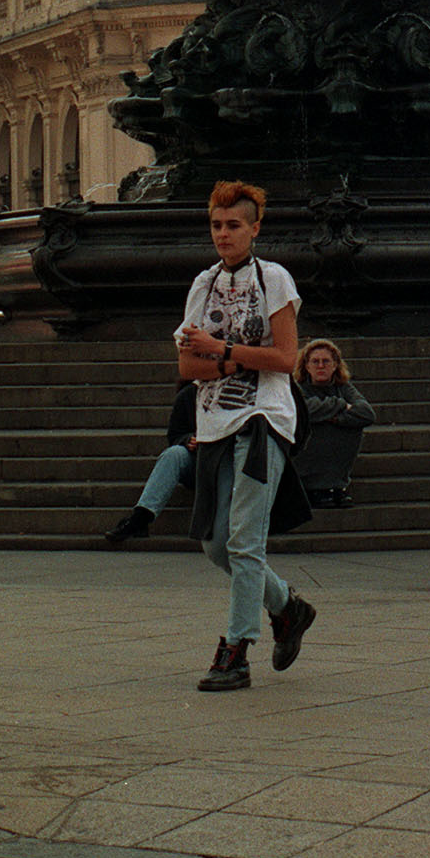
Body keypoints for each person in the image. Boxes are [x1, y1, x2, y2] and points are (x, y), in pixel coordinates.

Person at [176, 180, 315, 692]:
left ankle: (235, 651)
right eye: (216, 225)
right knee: (216, 545)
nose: (223, 234)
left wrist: (222, 349)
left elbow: (284, 359)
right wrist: (223, 355)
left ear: (255, 229)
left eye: (234, 225)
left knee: (244, 539)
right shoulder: (203, 285)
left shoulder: (274, 279)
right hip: (214, 422)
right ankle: (288, 607)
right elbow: (187, 365)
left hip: (263, 421)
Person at [104, 385, 198, 545]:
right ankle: (141, 517)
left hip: (225, 462)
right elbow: (175, 435)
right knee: (173, 454)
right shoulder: (188, 395)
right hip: (198, 461)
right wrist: (187, 440)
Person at [292, 338, 376, 509]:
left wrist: (336, 419)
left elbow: (367, 413)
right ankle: (314, 487)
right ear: (306, 366)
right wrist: (340, 405)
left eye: (326, 361)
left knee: (349, 425)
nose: (320, 366)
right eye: (315, 361)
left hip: (337, 455)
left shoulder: (344, 387)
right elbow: (303, 409)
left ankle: (335, 485)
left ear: (335, 365)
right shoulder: (298, 387)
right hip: (306, 451)